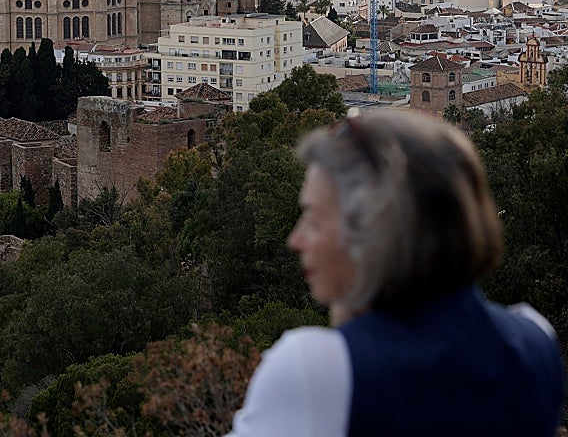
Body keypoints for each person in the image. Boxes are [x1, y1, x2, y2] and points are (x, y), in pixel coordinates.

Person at [229, 108, 563, 436]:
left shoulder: (316, 370)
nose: (295, 240)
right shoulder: (536, 342)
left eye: (314, 219)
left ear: (372, 234)